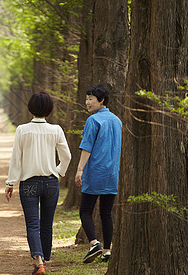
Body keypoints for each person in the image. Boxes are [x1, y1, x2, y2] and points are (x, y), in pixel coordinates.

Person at [5, 91, 71, 275]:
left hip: (29, 183)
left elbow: (16, 159)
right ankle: (45, 259)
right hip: (51, 182)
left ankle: (38, 261)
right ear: (49, 109)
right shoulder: (56, 130)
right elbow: (67, 156)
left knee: (33, 224)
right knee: (47, 224)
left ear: (30, 108)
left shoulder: (22, 130)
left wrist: (10, 183)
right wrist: (58, 172)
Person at [75, 85, 122, 264]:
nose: (87, 102)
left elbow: (87, 147)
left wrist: (80, 169)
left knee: (85, 210)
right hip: (112, 173)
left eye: (91, 99)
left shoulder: (93, 120)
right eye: (86, 98)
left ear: (101, 100)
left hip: (95, 171)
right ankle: (107, 251)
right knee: (106, 213)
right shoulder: (117, 120)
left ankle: (94, 243)